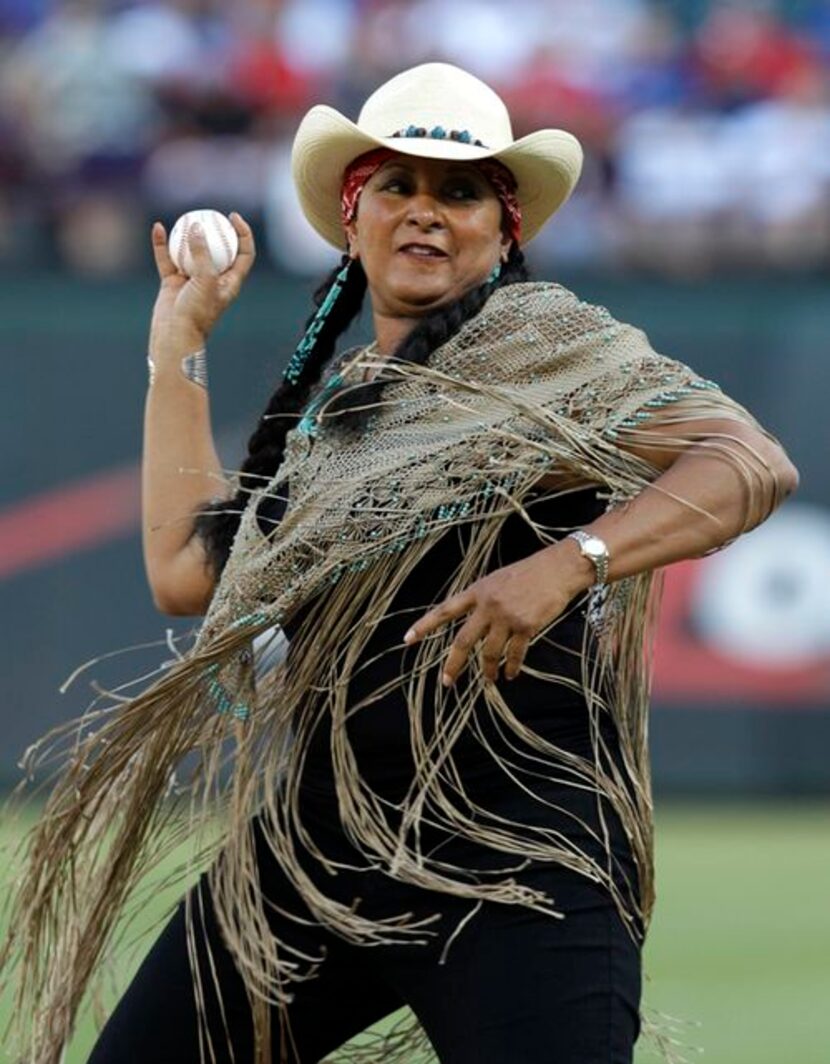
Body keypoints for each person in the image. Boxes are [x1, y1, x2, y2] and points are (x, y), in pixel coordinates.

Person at [3, 63, 798, 1064]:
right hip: (315, 844)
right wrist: (179, 346)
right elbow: (184, 569)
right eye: (396, 187)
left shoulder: (549, 348)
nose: (424, 211)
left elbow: (748, 461)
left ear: (502, 228)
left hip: (515, 848)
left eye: (458, 191)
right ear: (352, 216)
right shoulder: (342, 412)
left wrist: (568, 562)